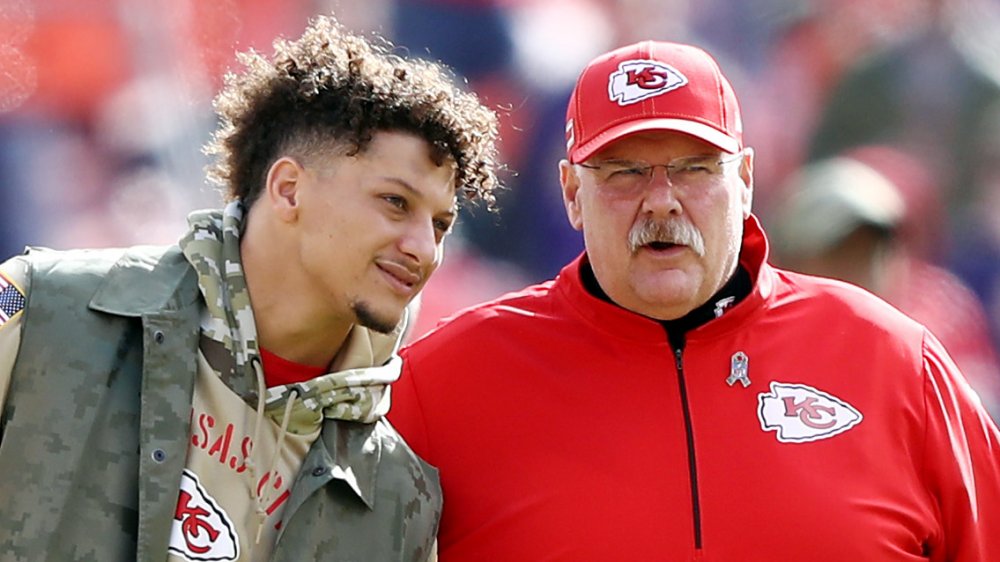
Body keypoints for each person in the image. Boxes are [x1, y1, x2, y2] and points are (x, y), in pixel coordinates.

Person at [387, 39, 1000, 560]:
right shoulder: (442, 385)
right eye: (625, 171)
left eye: (695, 168)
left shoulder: (898, 364)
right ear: (572, 192)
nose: (661, 200)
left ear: (747, 180)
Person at [0, 14, 500, 562]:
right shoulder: (39, 305)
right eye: (395, 203)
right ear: (288, 189)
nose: (424, 250)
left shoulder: (399, 495)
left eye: (440, 226)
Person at [771, 152, 1000, 420]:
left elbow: (980, 410)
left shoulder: (938, 313)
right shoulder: (762, 339)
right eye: (841, 254)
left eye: (871, 252)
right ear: (792, 260)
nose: (859, 270)